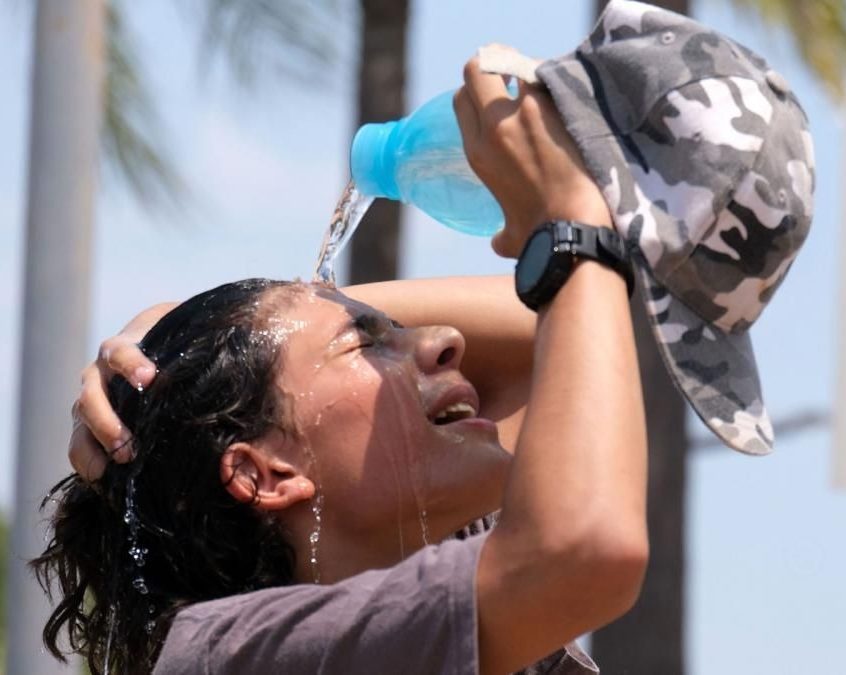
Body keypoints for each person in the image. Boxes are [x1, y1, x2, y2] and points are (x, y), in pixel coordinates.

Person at [39, 57, 646, 675]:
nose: (446, 341)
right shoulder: (234, 655)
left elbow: (577, 326)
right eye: (367, 345)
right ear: (263, 474)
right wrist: (572, 220)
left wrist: (202, 316)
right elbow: (587, 545)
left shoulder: (428, 588)